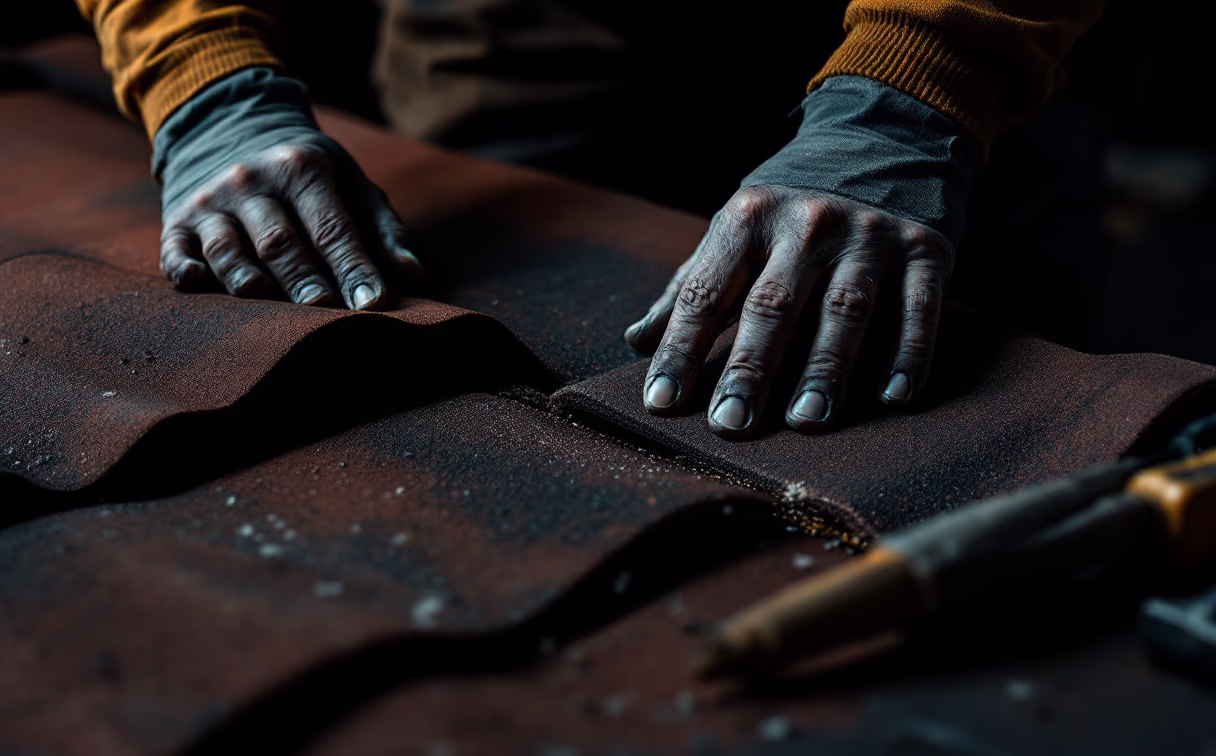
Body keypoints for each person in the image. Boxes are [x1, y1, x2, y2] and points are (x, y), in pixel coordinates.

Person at [76, 0, 1104, 436]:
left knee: (968, 368)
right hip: (515, 34)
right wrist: (202, 75)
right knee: (524, 353)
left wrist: (921, 91)